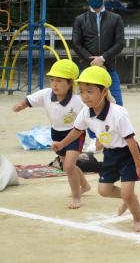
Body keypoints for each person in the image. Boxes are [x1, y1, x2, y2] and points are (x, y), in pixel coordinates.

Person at [52, 66, 140, 232]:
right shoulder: (85, 112)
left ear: (104, 92)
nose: (85, 96)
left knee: (126, 192)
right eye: (81, 91)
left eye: (90, 91)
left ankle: (137, 219)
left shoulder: (118, 113)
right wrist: (62, 144)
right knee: (104, 191)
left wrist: (139, 166)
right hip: (110, 154)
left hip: (127, 154)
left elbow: (131, 141)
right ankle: (129, 197)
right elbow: (77, 130)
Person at [12, 59, 91, 209]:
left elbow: (91, 116)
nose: (54, 84)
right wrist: (20, 106)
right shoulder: (46, 94)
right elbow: (29, 100)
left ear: (70, 83)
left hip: (75, 133)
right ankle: (85, 186)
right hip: (56, 133)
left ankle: (76, 196)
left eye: (59, 81)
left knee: (68, 166)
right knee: (68, 165)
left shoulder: (78, 100)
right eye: (52, 80)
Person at [72, 0, 125, 151]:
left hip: (109, 68)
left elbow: (120, 42)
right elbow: (76, 43)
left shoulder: (115, 18)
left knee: (116, 104)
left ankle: (117, 138)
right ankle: (94, 139)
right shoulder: (80, 19)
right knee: (88, 104)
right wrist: (91, 60)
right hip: (87, 69)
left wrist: (103, 58)